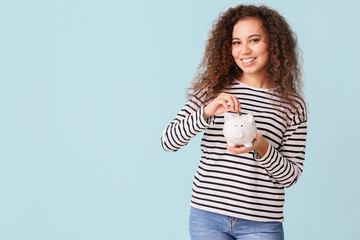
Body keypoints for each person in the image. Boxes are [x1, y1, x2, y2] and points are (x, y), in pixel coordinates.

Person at [161, 4, 307, 240]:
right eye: (236, 42)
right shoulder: (213, 91)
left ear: (274, 42)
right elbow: (168, 141)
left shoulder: (292, 105)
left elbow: (290, 176)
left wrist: (262, 148)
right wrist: (206, 112)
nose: (244, 50)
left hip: (262, 223)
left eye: (255, 40)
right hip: (206, 216)